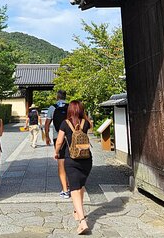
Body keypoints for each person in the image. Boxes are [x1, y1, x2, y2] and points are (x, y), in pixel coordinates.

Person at [55, 100, 92, 235]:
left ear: (70, 109)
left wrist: (56, 152)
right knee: (80, 186)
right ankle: (77, 210)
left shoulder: (65, 123)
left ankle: (82, 221)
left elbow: (59, 141)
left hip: (71, 159)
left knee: (74, 189)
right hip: (87, 159)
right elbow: (90, 129)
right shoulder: (86, 122)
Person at [45, 90, 70, 199]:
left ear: (57, 96)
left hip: (57, 137)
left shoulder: (52, 108)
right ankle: (71, 185)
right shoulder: (70, 107)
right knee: (71, 161)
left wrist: (46, 136)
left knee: (61, 163)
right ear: (65, 96)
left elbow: (47, 124)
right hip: (70, 137)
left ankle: (65, 190)